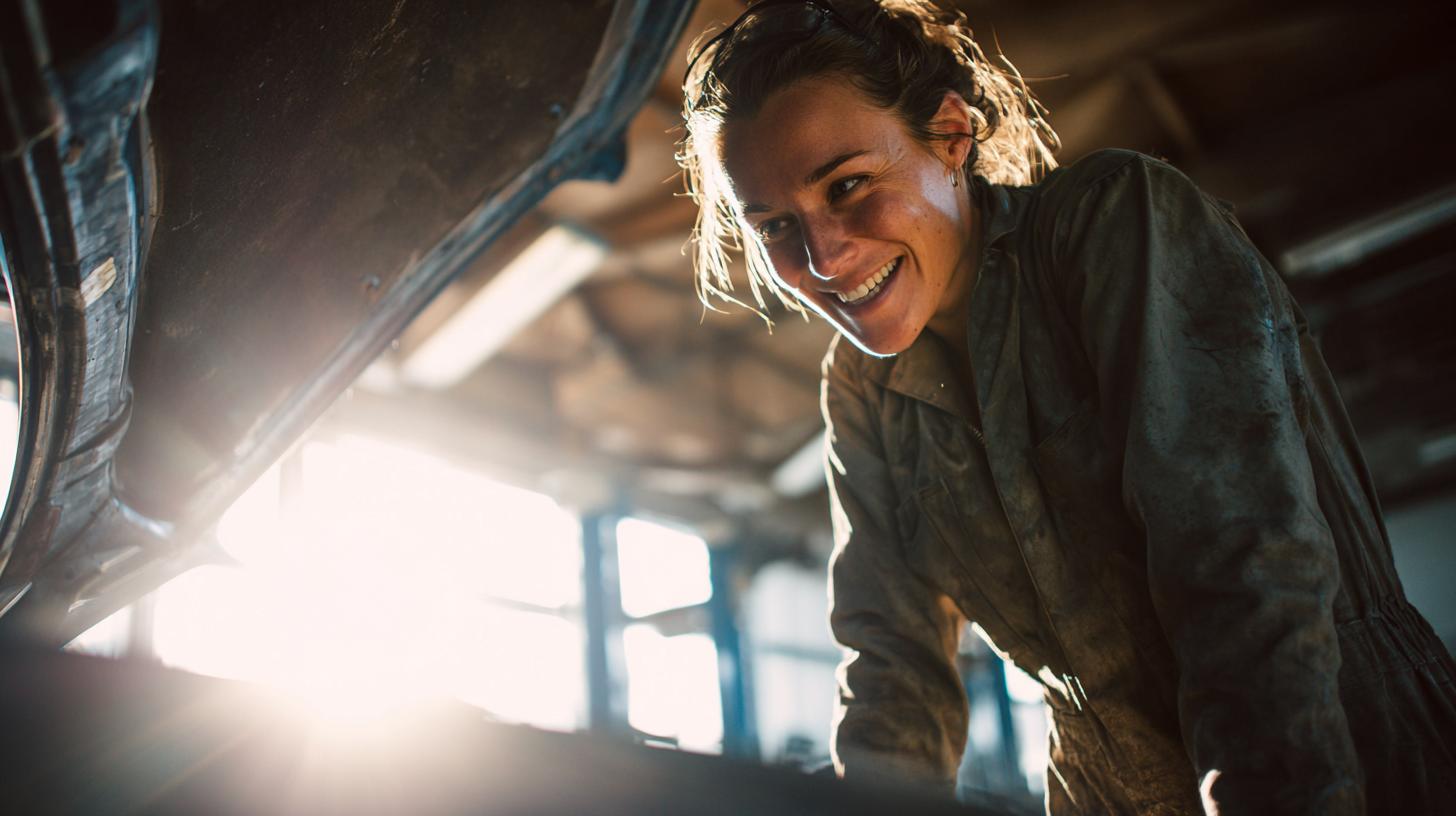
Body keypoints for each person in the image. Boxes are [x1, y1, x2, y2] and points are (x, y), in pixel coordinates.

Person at [677, 1, 1456, 813]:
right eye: (772, 226)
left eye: (847, 185)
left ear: (951, 136)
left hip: (1352, 753)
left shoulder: (1111, 221)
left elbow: (1243, 570)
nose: (824, 258)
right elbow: (893, 671)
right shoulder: (862, 388)